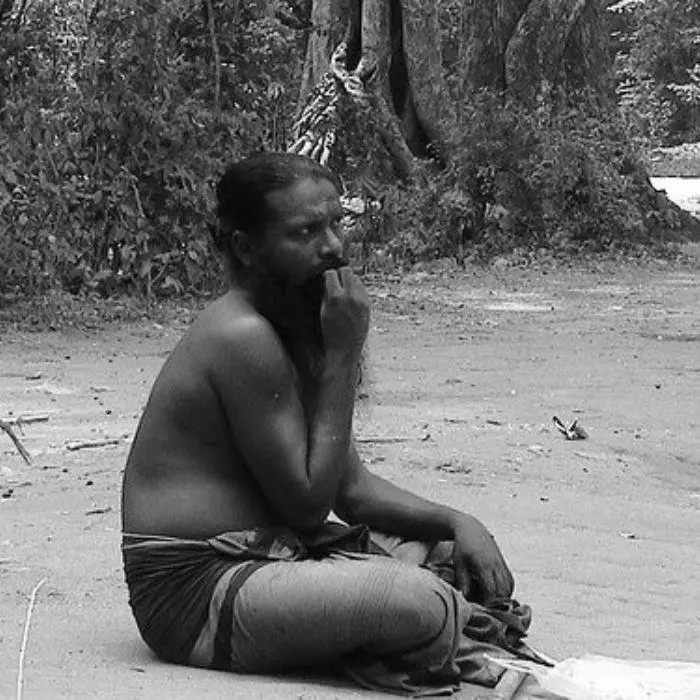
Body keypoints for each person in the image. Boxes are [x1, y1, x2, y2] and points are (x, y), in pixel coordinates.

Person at [121, 152, 539, 696]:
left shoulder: (293, 319)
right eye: (307, 232)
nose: (335, 247)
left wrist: (459, 522)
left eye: (337, 223)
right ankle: (415, 631)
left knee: (454, 564)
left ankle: (400, 626)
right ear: (247, 248)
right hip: (197, 590)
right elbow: (307, 505)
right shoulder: (241, 335)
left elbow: (351, 488)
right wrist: (343, 357)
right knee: (423, 602)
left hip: (277, 554)